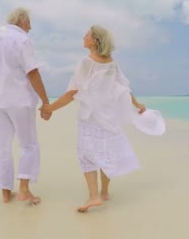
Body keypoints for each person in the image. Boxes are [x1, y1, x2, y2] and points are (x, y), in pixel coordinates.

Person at [41, 25, 147, 213]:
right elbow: (124, 89)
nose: (84, 36)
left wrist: (50, 108)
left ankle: (93, 196)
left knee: (87, 155)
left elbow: (72, 93)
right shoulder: (112, 63)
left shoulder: (86, 62)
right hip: (108, 115)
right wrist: (137, 105)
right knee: (105, 153)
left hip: (90, 117)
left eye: (87, 35)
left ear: (95, 40)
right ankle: (104, 192)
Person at [0, 7, 50, 205]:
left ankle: (6, 194)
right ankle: (24, 190)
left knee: (3, 147)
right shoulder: (22, 39)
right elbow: (32, 72)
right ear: (21, 21)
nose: (30, 27)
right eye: (29, 22)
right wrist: (46, 101)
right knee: (29, 145)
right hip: (20, 101)